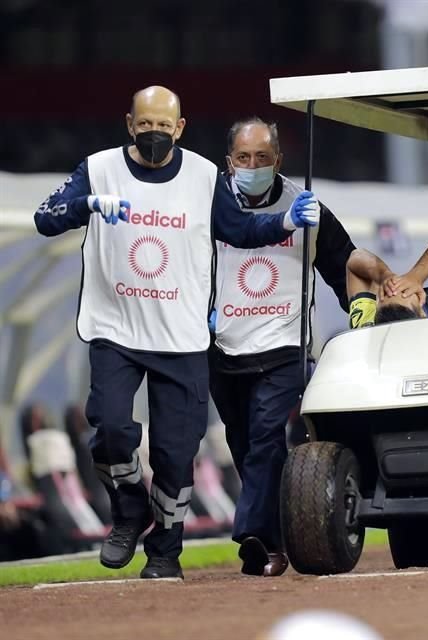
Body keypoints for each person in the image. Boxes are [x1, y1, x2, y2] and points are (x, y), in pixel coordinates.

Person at [32, 86, 319, 579]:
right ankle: (129, 511)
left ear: (180, 128)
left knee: (174, 454)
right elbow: (45, 218)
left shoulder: (205, 177)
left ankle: (165, 552)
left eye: (163, 127)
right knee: (111, 430)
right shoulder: (98, 169)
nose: (154, 135)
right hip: (116, 327)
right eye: (145, 126)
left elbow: (240, 231)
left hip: (182, 336)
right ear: (129, 124)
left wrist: (283, 221)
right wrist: (89, 205)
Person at [208, 117, 357, 577]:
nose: (253, 166)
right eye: (244, 159)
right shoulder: (207, 204)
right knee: (244, 443)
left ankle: (257, 538)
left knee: (266, 437)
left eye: (263, 158)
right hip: (223, 346)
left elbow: (343, 267)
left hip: (284, 346)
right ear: (229, 162)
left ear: (279, 160)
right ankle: (281, 532)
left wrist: (363, 316)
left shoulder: (307, 209)